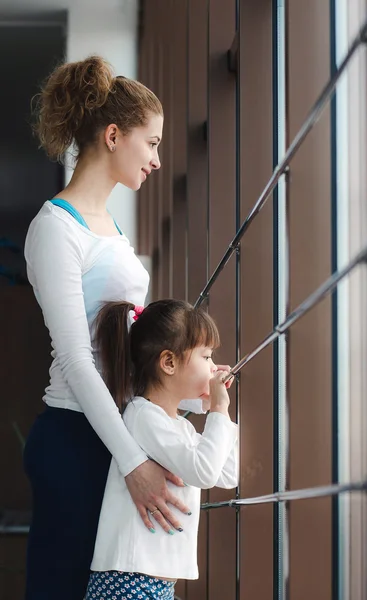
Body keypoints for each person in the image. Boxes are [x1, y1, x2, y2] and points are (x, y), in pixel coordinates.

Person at [23, 55, 211, 599]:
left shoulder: (110, 228)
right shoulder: (55, 229)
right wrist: (133, 464)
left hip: (113, 433)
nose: (156, 159)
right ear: (113, 135)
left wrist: (192, 391)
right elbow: (79, 360)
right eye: (151, 143)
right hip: (75, 437)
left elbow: (125, 349)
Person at [85, 299, 238, 599]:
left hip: (153, 583)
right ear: (168, 363)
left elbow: (227, 474)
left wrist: (217, 412)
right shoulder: (144, 417)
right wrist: (218, 407)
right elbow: (205, 473)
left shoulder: (177, 425)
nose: (212, 366)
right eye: (206, 357)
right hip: (128, 581)